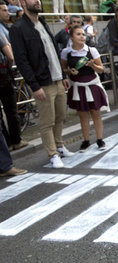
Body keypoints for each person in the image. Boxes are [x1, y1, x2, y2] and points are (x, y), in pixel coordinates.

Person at [10, 0, 74, 168]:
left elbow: (54, 51)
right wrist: (34, 85)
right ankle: (52, 154)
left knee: (60, 116)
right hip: (43, 83)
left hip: (58, 79)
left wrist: (63, 75)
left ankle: (59, 146)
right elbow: (22, 61)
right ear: (23, 3)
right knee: (47, 121)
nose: (37, 1)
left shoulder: (42, 23)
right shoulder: (18, 29)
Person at [61, 25, 108, 152]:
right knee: (82, 115)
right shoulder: (66, 52)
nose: (82, 36)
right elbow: (63, 69)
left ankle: (100, 140)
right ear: (71, 37)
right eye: (78, 34)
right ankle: (86, 141)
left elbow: (101, 69)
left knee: (95, 113)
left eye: (83, 34)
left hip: (92, 84)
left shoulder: (91, 50)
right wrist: (70, 72)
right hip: (77, 87)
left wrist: (93, 65)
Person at [0, 32, 27, 151]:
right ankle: (16, 141)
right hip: (3, 77)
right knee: (11, 110)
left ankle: (7, 143)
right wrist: (9, 68)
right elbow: (10, 57)